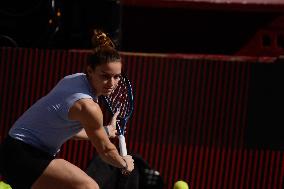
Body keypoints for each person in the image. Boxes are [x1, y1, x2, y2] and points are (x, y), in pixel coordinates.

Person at [0, 30, 134, 189]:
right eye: (105, 76)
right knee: (88, 187)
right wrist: (124, 163)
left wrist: (104, 131)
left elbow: (65, 129)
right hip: (24, 155)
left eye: (117, 76)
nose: (111, 83)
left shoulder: (74, 79)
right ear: (90, 70)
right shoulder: (88, 106)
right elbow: (105, 150)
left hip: (13, 151)